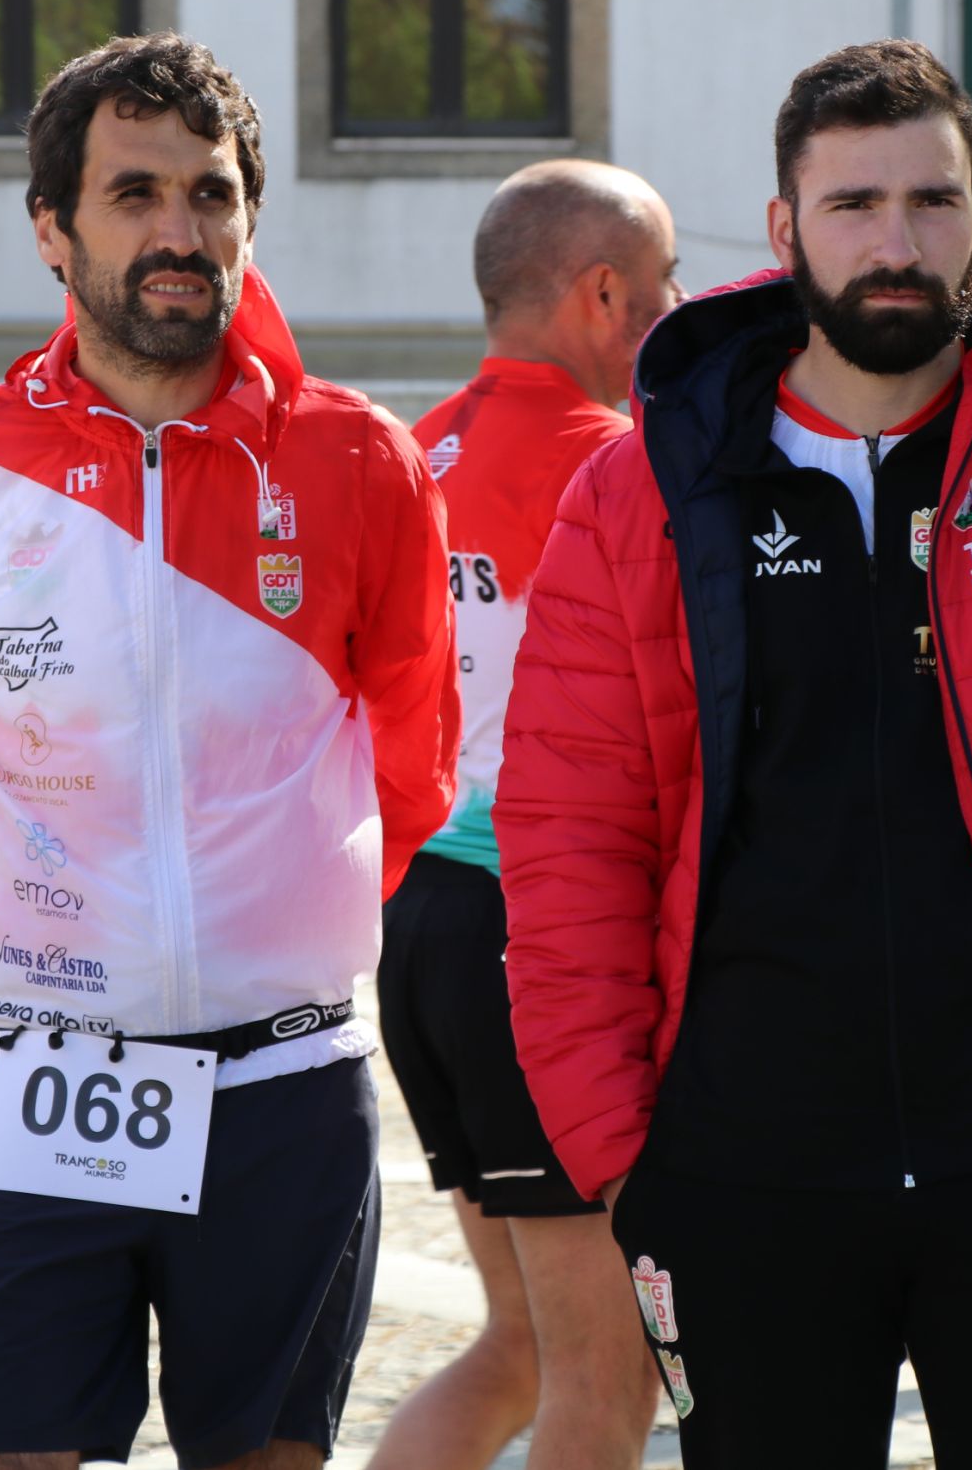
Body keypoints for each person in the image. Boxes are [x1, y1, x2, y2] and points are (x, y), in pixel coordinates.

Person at [493, 39, 972, 1468]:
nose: (896, 243)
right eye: (853, 204)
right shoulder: (645, 491)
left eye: (931, 200)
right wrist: (618, 1149)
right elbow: (570, 834)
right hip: (742, 1165)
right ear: (784, 227)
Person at [0, 32, 458, 1470]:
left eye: (212, 195)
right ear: (52, 227)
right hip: (35, 1076)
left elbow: (415, 763)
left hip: (284, 1086)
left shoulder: (362, 459)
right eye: (135, 194)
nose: (181, 231)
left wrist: (264, 922)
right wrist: (36, 920)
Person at [369, 161, 682, 1470]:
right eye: (664, 284)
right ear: (603, 293)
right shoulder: (617, 462)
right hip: (538, 933)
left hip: (420, 925)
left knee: (521, 1351)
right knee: (610, 1381)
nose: (676, 312)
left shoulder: (408, 451)